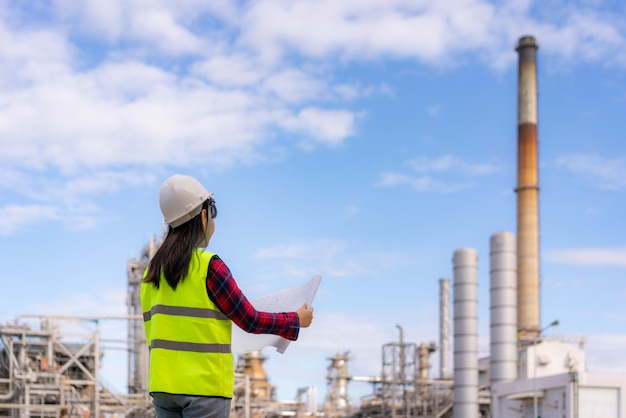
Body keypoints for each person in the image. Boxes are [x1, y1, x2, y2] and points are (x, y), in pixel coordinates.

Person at [141, 174, 314, 418]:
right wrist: (296, 319)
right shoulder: (209, 266)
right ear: (203, 214)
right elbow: (250, 320)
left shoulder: (150, 273)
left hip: (163, 388)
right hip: (204, 387)